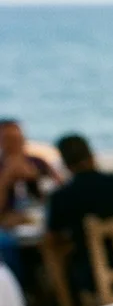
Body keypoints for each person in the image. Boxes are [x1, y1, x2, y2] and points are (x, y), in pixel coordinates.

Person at [45, 134, 113, 295]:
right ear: (92, 156)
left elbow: (51, 240)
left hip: (100, 278)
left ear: (65, 164)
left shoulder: (63, 197)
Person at [0, 119, 60, 283]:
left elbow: (59, 193)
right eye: (8, 140)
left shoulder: (38, 163)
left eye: (17, 139)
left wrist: (36, 177)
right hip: (8, 227)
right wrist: (6, 179)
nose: (14, 144)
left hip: (40, 220)